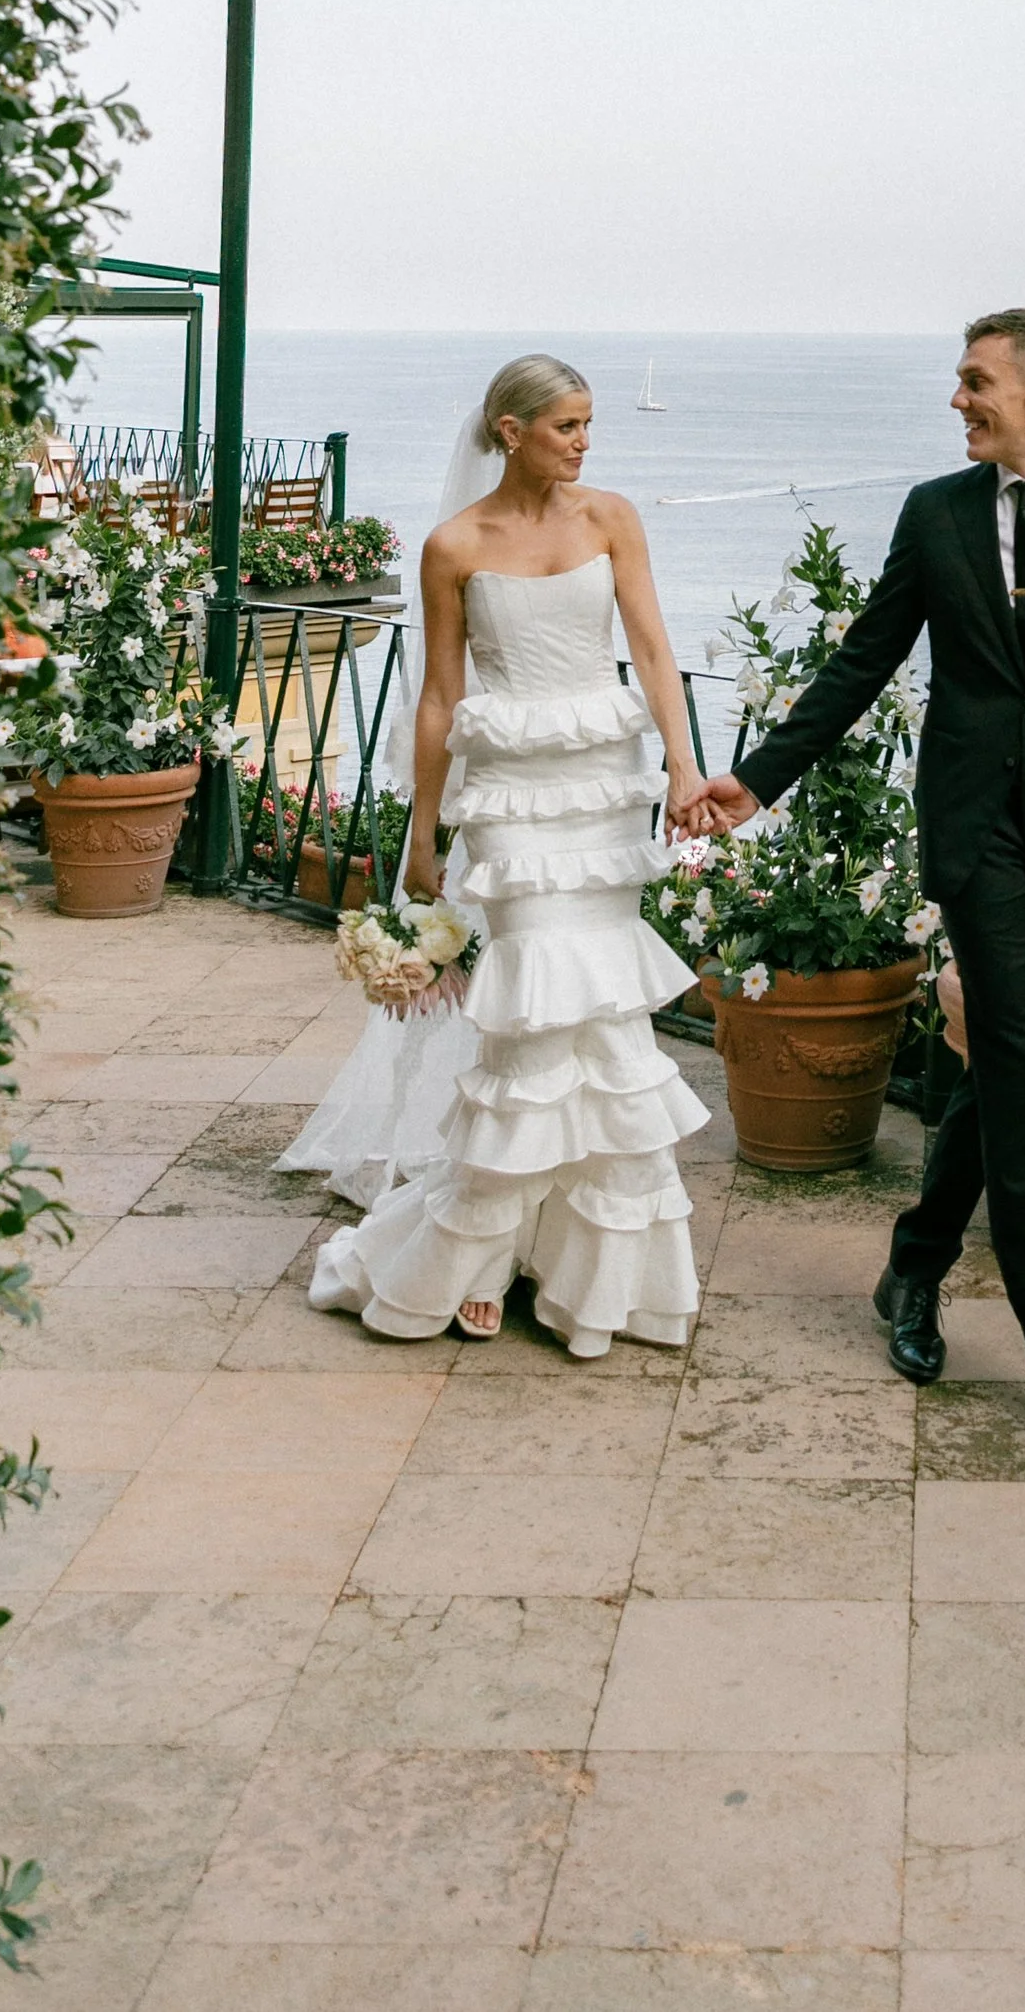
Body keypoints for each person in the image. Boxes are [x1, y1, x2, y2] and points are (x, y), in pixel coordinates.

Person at [680, 307, 1025, 1460]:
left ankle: (910, 1270)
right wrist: (756, 782)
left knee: (1000, 1071)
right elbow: (863, 662)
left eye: (975, 382)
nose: (958, 401)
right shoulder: (935, 515)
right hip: (972, 838)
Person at [308, 354, 710, 1352]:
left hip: (599, 790)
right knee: (534, 1016)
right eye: (566, 425)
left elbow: (654, 651)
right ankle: (480, 1253)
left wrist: (684, 771)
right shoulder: (452, 545)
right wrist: (422, 831)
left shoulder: (611, 518)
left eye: (587, 424)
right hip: (514, 802)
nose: (583, 442)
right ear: (509, 429)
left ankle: (583, 1270)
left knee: (605, 1027)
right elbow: (441, 696)